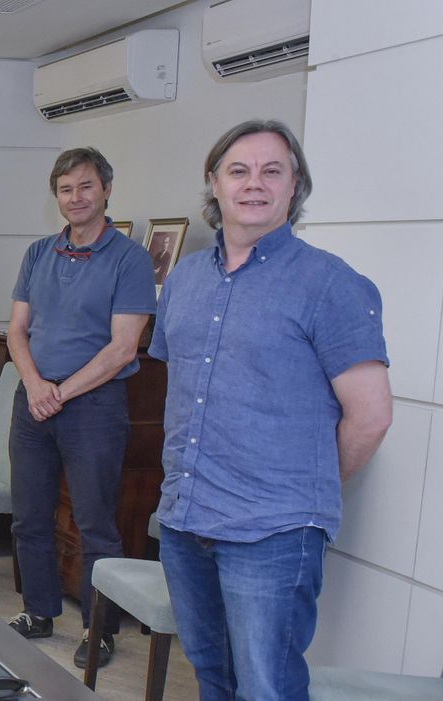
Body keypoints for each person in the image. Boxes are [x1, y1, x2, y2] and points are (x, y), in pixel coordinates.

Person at [151, 120, 391, 701]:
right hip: (186, 522)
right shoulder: (182, 280)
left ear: (294, 186)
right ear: (214, 183)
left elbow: (371, 415)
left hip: (274, 534)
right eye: (239, 170)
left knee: (268, 689)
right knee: (213, 679)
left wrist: (304, 494)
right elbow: (178, 388)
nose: (253, 184)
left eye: (271, 171)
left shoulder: (330, 284)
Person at [4, 148, 156, 669]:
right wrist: (34, 382)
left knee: (96, 524)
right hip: (33, 401)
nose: (76, 198)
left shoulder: (130, 259)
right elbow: (17, 329)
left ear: (106, 190)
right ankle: (39, 610)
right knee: (29, 516)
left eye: (86, 187)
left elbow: (122, 348)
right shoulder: (39, 252)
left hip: (92, 406)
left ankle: (99, 629)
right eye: (66, 189)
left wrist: (60, 393)